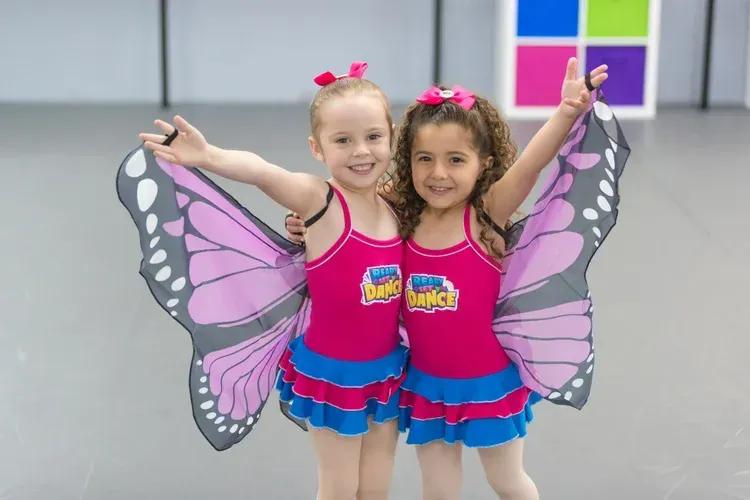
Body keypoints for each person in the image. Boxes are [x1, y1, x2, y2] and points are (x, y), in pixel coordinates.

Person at [286, 57, 631, 499]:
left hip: (489, 382)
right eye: (424, 159)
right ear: (406, 158)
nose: (438, 174)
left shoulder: (486, 216)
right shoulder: (399, 213)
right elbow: (342, 203)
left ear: (483, 162)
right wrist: (301, 221)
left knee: (506, 480)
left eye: (456, 159)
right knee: (439, 489)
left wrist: (566, 112)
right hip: (427, 382)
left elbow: (530, 166)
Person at [118, 62, 408, 500]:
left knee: (378, 483)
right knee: (340, 485)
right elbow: (263, 171)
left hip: (387, 368)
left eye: (372, 137)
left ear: (391, 137)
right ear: (317, 147)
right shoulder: (320, 200)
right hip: (334, 374)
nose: (361, 151)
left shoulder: (394, 208)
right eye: (342, 140)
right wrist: (210, 157)